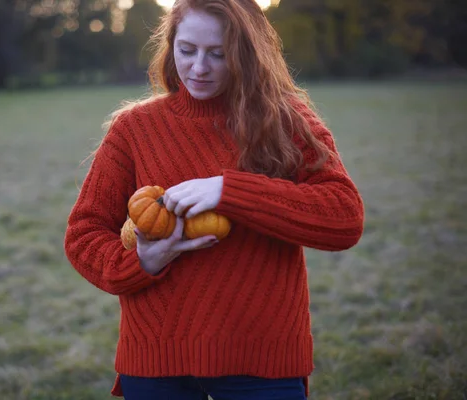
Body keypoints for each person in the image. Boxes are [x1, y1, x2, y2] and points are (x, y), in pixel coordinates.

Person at [64, 0, 364, 398]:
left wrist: (230, 191)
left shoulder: (285, 119)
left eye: (218, 54)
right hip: (157, 359)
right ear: (170, 46)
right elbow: (83, 233)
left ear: (246, 53)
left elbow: (344, 217)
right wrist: (139, 262)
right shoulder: (134, 129)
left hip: (261, 358)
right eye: (187, 50)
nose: (199, 67)